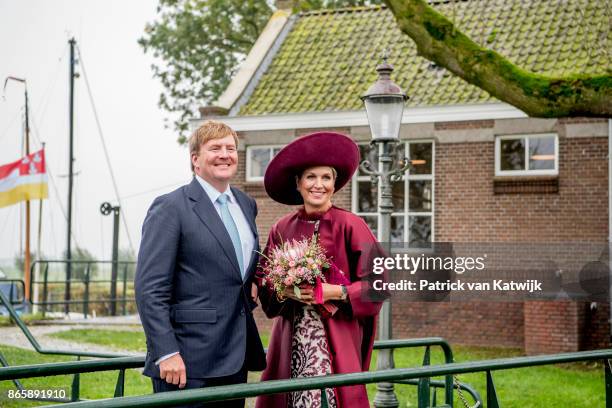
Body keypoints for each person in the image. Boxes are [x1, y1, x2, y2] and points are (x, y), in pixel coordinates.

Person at [135, 120, 266, 408]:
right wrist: (166, 352)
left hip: (235, 358)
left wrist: (255, 279)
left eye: (230, 148)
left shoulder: (246, 205)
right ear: (196, 160)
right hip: (186, 361)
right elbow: (150, 289)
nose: (225, 154)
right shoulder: (171, 207)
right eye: (215, 148)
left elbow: (237, 267)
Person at [255, 131, 384, 408]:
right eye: (311, 177)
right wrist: (285, 289)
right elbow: (264, 283)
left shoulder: (352, 225)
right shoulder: (281, 228)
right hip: (290, 338)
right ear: (298, 183)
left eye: (326, 177)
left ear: (334, 185)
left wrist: (335, 291)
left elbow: (380, 283)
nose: (319, 185)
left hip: (337, 338)